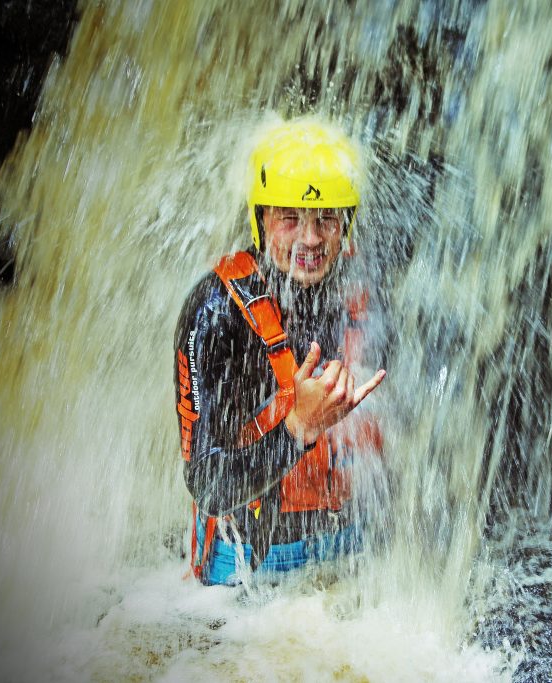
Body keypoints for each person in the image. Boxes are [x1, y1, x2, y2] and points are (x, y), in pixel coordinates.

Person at [173, 119, 385, 586]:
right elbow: (209, 486)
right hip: (249, 562)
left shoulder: (365, 288)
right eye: (290, 218)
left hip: (351, 541)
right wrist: (298, 428)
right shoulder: (216, 311)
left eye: (326, 217)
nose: (310, 239)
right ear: (261, 218)